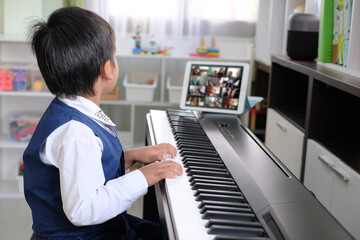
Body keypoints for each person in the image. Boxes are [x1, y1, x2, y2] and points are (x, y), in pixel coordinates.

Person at [23, 6, 183, 240]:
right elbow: (84, 209)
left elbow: (87, 167)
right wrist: (145, 176)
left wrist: (130, 157)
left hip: (99, 227)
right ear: (107, 68)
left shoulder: (71, 112)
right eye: (114, 55)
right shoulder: (76, 132)